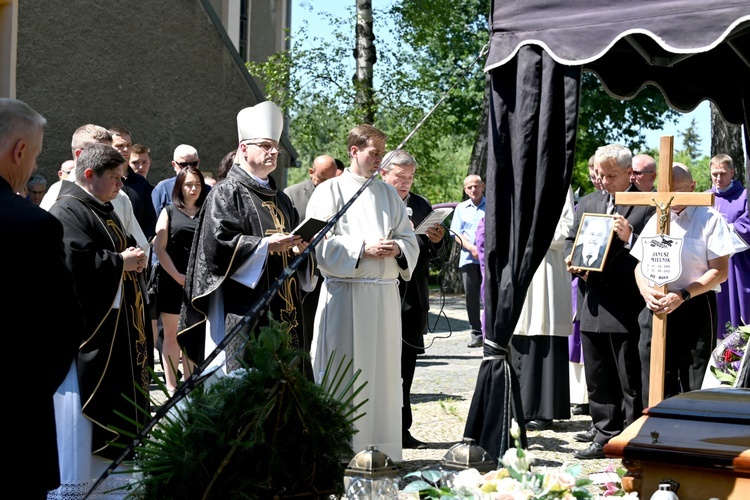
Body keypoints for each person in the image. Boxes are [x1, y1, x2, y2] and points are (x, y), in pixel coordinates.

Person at [306, 124, 419, 462]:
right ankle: (340, 452)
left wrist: (397, 248)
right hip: (346, 296)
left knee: (383, 376)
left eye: (382, 154)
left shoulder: (387, 194)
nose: (379, 160)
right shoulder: (330, 191)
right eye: (374, 153)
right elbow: (317, 242)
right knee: (344, 373)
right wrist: (361, 248)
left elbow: (409, 237)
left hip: (384, 297)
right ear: (354, 150)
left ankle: (382, 451)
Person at [48, 143, 151, 498]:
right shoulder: (68, 210)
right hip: (93, 337)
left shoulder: (101, 208)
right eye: (116, 179)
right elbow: (75, 266)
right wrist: (121, 262)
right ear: (89, 175)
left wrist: (132, 259)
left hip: (119, 334)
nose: (122, 186)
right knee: (87, 427)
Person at [180, 101, 311, 376]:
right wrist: (265, 246)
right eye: (265, 145)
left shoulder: (282, 198)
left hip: (286, 307)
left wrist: (302, 250)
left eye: (275, 146)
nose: (274, 151)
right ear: (243, 149)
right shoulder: (228, 192)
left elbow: (296, 241)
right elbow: (216, 247)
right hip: (246, 308)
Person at [1, 98, 83, 499]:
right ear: (19, 151)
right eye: (33, 156)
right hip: (13, 430)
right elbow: (63, 326)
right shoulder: (32, 226)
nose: (31, 168)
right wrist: (28, 393)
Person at [564, 143, 655, 460]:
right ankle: (604, 435)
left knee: (628, 378)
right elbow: (572, 243)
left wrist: (630, 237)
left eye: (610, 175)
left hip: (626, 306)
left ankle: (631, 436)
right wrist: (573, 263)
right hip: (591, 302)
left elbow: (654, 258)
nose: (602, 180)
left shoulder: (646, 205)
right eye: (599, 174)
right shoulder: (588, 202)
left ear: (629, 173)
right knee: (598, 377)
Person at [633, 163, 734, 403]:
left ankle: (692, 436)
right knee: (654, 375)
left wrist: (683, 295)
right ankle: (655, 431)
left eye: (677, 191)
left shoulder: (710, 218)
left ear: (692, 186)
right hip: (657, 304)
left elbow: (720, 272)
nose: (670, 198)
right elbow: (639, 264)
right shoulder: (657, 216)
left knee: (694, 378)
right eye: (665, 190)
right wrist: (646, 291)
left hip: (694, 303)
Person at [380, 149, 446, 449]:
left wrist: (438, 240)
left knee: (406, 369)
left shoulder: (421, 205)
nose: (405, 183)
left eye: (409, 178)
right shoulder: (375, 201)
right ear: (384, 174)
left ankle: (403, 430)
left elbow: (436, 256)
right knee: (380, 367)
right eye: (400, 177)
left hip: (413, 298)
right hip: (380, 293)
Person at [511, 188, 575, 431]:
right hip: (518, 265)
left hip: (547, 266)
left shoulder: (559, 181)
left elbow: (567, 228)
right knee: (519, 329)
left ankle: (544, 410)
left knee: (543, 327)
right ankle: (518, 406)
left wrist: (532, 235)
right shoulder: (514, 176)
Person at [153, 165, 207, 393]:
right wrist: (177, 276)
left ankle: (191, 384)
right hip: (173, 281)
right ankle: (172, 386)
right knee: (173, 335)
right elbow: (159, 247)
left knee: (193, 334)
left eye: (197, 184)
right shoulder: (169, 211)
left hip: (199, 284)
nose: (193, 189)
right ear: (179, 187)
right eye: (188, 184)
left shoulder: (207, 211)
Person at [283, 154, 341, 352]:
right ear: (311, 173)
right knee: (305, 328)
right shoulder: (291, 194)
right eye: (323, 179)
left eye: (333, 180)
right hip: (304, 272)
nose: (328, 185)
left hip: (335, 269)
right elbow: (284, 231)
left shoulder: (342, 195)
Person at [706, 154, 749, 339]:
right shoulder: (704, 199)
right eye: (714, 173)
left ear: (732, 172)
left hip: (737, 268)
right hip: (708, 268)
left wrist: (717, 232)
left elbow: (746, 228)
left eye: (723, 173)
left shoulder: (745, 196)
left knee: (738, 321)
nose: (718, 178)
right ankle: (720, 365)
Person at [450, 174, 486, 348]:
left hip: (488, 259)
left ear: (483, 186)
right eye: (469, 187)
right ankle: (477, 333)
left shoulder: (492, 205)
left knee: (490, 295)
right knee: (471, 297)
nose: (473, 189)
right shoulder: (461, 208)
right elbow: (455, 232)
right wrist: (473, 248)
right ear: (465, 190)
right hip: (469, 258)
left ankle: (490, 331)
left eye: (476, 186)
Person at [111, 127, 157, 239]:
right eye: (120, 146)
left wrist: (143, 244)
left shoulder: (142, 183)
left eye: (128, 145)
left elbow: (150, 220)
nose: (125, 149)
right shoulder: (103, 180)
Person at [152, 144, 201, 217]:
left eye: (193, 164)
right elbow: (155, 221)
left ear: (198, 163)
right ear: (174, 165)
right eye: (183, 165)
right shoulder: (163, 189)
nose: (188, 168)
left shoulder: (208, 190)